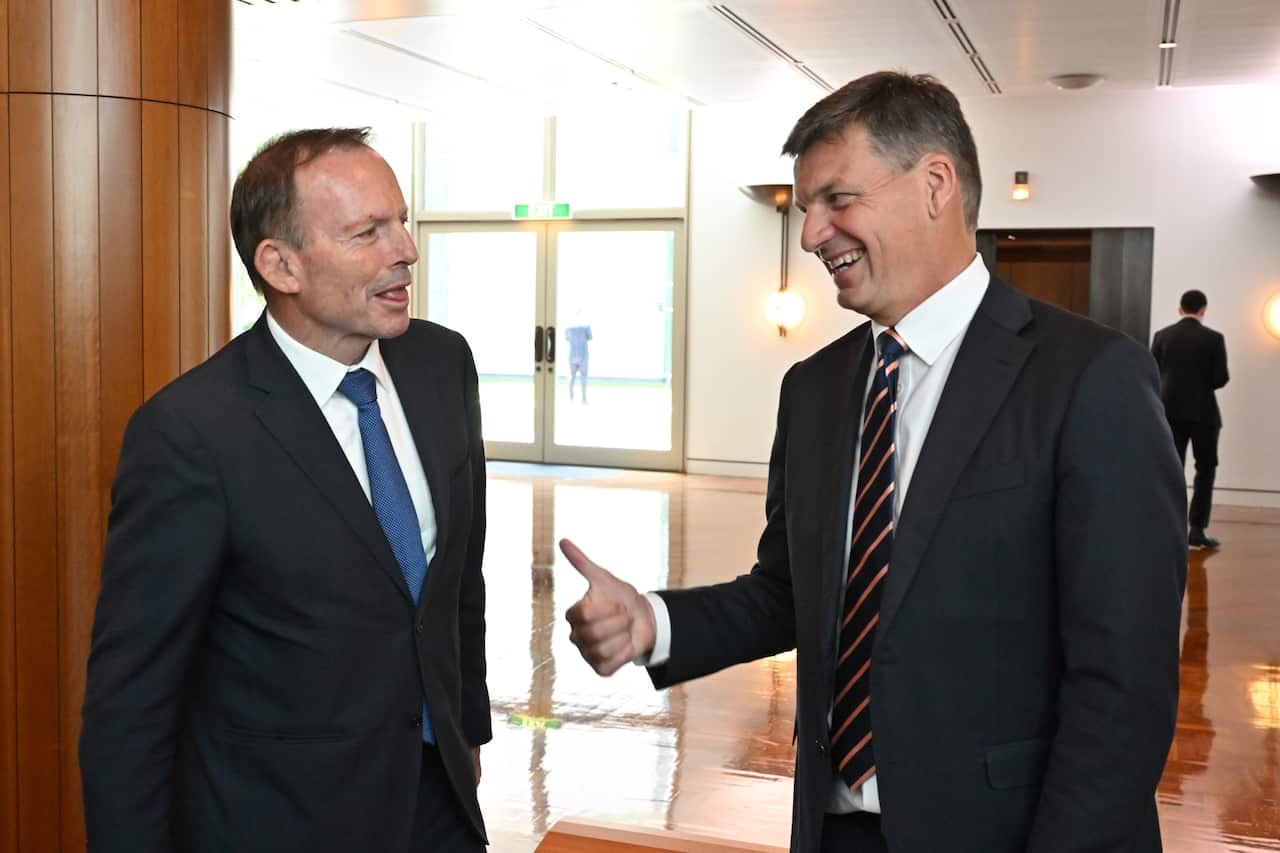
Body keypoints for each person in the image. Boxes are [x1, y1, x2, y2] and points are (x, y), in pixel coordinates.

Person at [562, 72, 1186, 853]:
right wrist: (652, 621)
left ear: (936, 185)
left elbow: (1124, 687)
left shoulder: (1091, 379)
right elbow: (790, 593)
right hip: (834, 829)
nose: (811, 235)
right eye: (805, 207)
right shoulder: (814, 389)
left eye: (837, 199)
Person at [80, 128, 491, 853]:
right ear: (280, 264)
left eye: (401, 221)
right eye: (368, 232)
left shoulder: (442, 364)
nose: (405, 250)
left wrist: (467, 737)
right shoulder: (191, 432)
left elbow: (458, 586)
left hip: (439, 806)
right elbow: (133, 700)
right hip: (285, 819)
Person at [1151, 289, 1230, 549]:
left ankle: (1168, 528)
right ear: (1203, 309)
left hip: (1169, 413)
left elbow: (1153, 372)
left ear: (1180, 309)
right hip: (1204, 415)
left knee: (1171, 471)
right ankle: (1196, 531)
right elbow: (1220, 378)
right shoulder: (1214, 338)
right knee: (1205, 470)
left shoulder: (1162, 336)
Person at [565, 310, 593, 403]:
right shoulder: (586, 325)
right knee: (583, 377)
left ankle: (570, 398)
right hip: (583, 354)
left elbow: (566, 338)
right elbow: (590, 337)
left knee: (571, 376)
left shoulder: (568, 327)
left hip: (572, 354)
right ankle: (584, 399)